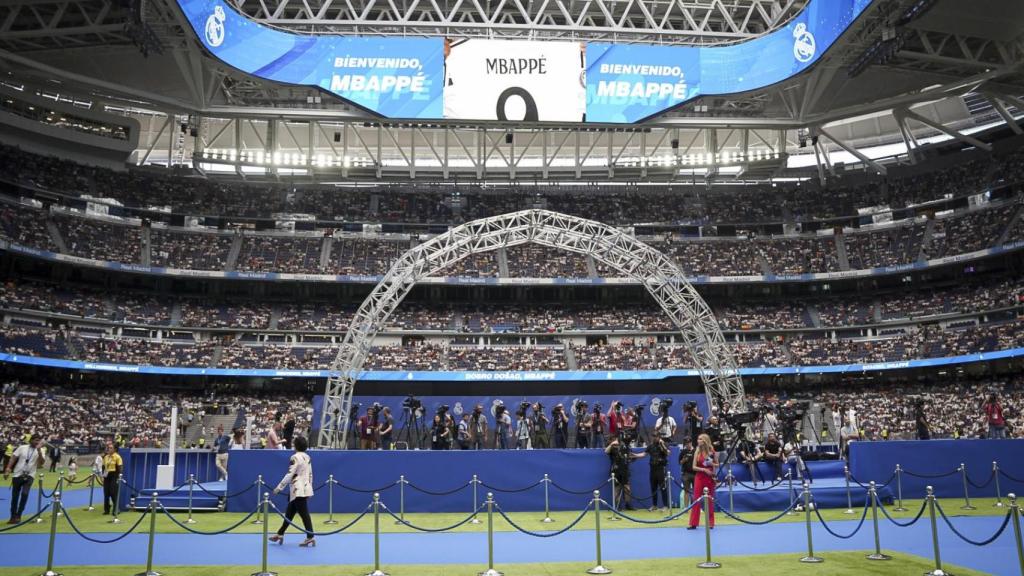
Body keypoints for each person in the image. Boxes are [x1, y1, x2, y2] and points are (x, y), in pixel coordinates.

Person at [269, 436, 316, 547]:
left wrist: (279, 487)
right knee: (290, 513)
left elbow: (290, 474)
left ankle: (310, 536)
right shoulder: (308, 457)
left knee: (304, 514)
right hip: (302, 489)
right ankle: (280, 533)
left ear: (296, 445)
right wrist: (309, 489)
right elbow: (310, 475)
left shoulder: (294, 457)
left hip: (297, 489)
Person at [3, 435, 44, 524]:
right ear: (31, 440)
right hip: (17, 474)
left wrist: (39, 451)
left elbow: (41, 463)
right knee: (15, 497)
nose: (37, 442)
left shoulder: (41, 450)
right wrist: (8, 469)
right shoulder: (22, 448)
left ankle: (19, 515)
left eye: (39, 441)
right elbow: (13, 457)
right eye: (36, 440)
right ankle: (13, 516)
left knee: (25, 494)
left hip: (30, 475)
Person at [605, 435, 645, 510]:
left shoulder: (625, 447)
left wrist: (638, 455)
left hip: (625, 470)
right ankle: (617, 506)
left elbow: (631, 456)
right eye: (614, 439)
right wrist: (612, 444)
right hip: (616, 471)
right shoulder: (612, 447)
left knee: (627, 488)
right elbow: (606, 451)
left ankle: (628, 504)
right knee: (617, 488)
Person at [688, 433, 717, 530]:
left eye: (700, 439)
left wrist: (711, 466)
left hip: (710, 478)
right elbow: (694, 467)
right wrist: (704, 470)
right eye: (698, 439)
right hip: (699, 477)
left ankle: (711, 523)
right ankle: (693, 523)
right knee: (696, 499)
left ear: (705, 440)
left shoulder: (712, 451)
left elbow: (717, 465)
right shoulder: (697, 451)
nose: (698, 441)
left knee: (709, 500)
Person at [646, 433, 670, 512]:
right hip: (653, 469)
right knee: (653, 488)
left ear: (659, 437)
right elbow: (644, 454)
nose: (655, 438)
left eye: (656, 437)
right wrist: (634, 455)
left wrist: (662, 444)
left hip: (661, 468)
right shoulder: (650, 446)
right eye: (653, 436)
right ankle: (654, 505)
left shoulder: (663, 444)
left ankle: (665, 506)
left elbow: (668, 453)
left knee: (663, 487)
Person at [100, 440, 123, 516]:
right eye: (108, 448)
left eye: (110, 448)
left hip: (114, 475)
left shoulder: (117, 457)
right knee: (106, 493)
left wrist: (119, 476)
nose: (108, 449)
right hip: (107, 476)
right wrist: (103, 476)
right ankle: (106, 509)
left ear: (114, 449)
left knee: (113, 493)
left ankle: (116, 509)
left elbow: (120, 467)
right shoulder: (106, 457)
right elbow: (103, 467)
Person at [678, 436, 696, 507]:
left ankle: (696, 507)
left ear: (691, 442)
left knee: (696, 491)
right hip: (686, 474)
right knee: (686, 491)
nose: (688, 444)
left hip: (695, 473)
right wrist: (683, 460)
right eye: (686, 443)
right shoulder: (683, 451)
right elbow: (679, 462)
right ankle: (686, 508)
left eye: (689, 443)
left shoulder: (696, 451)